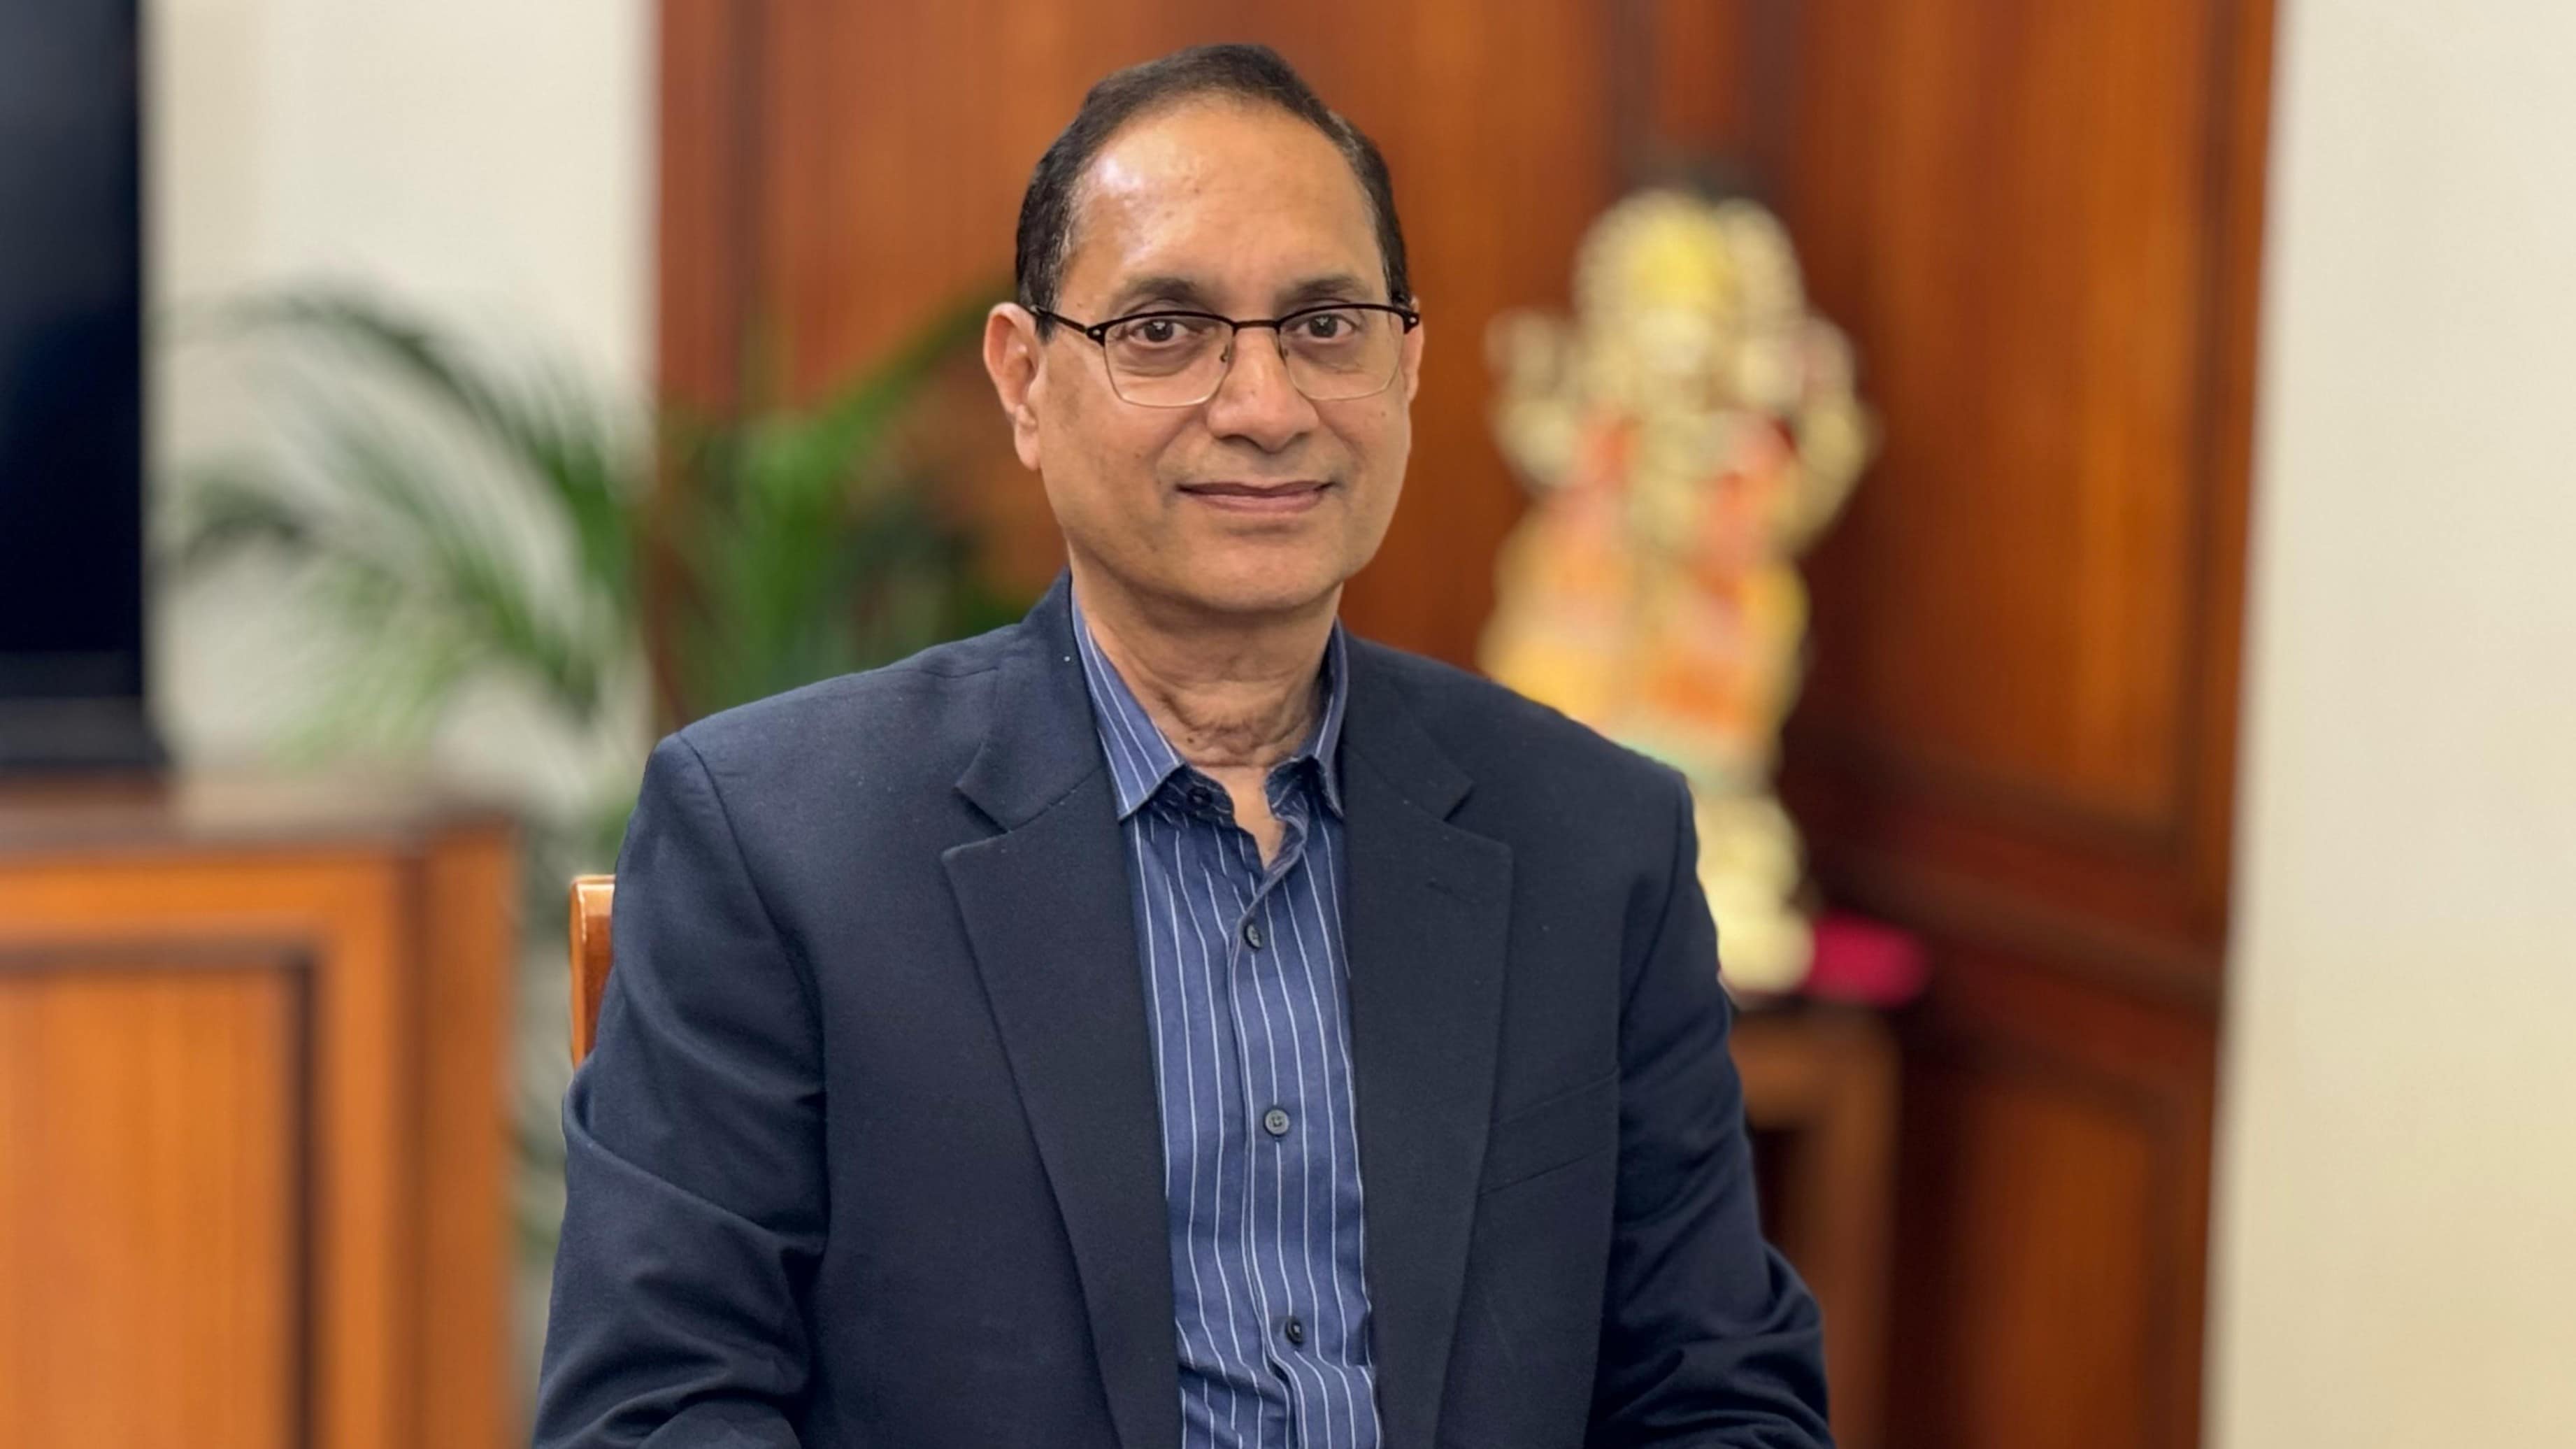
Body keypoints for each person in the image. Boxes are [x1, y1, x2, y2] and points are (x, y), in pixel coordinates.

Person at [534, 43, 1831, 1449]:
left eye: (1325, 325)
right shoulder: (778, 841)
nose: (1266, 406)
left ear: (1406, 366)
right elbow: (657, 1412)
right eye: (1165, 330)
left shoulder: (1596, 841)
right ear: (1024, 381)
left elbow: (1721, 1397)